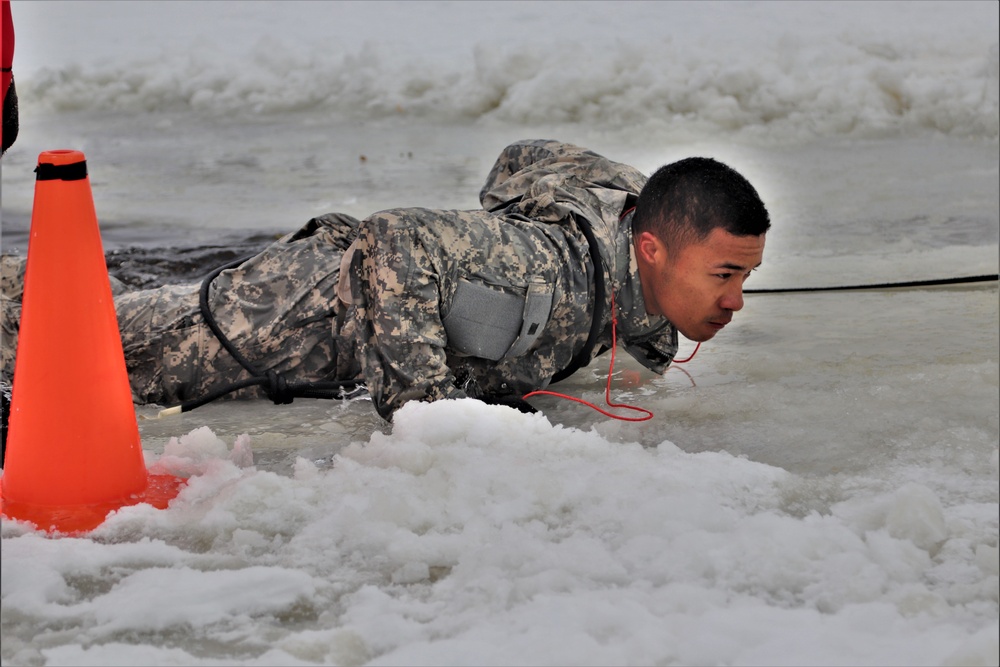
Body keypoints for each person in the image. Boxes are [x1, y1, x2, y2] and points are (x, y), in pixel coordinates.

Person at [1, 139, 769, 435]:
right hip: (284, 316)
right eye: (724, 274)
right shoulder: (553, 270)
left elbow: (526, 156)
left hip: (324, 308)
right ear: (653, 247)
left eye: (745, 277)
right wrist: (425, 413)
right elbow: (394, 235)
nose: (735, 299)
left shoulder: (630, 228)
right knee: (73, 341)